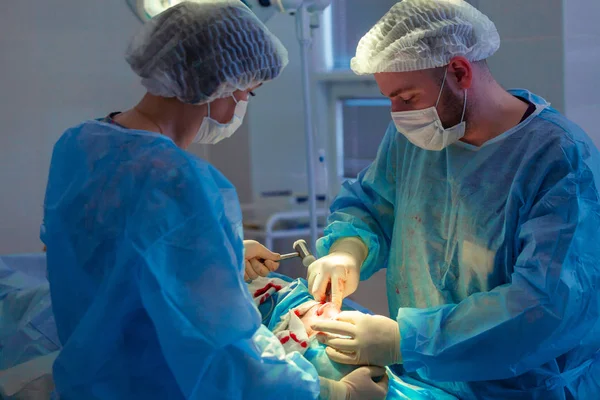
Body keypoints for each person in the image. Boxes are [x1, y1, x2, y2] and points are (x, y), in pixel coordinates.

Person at [40, 1, 388, 399]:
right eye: (249, 93)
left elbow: (88, 254)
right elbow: (225, 356)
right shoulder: (179, 183)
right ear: (221, 82)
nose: (241, 105)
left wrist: (220, 253)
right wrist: (331, 393)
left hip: (88, 377)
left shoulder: (79, 145)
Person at [305, 0, 600, 399]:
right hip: (425, 380)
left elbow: (543, 307)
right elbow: (373, 204)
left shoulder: (560, 161)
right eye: (388, 98)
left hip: (522, 388)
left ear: (459, 71)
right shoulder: (419, 139)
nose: (396, 114)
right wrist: (347, 250)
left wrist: (404, 339)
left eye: (406, 98)